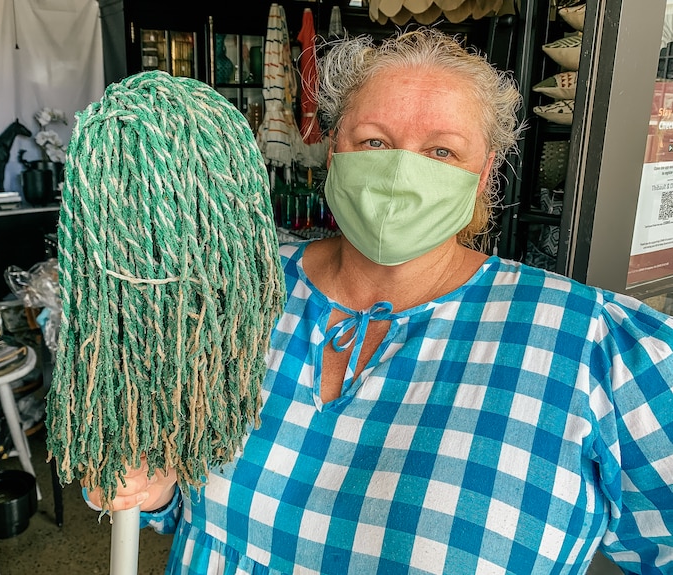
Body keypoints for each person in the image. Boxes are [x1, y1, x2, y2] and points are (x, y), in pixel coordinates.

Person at [85, 28, 673, 574]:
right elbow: (181, 505)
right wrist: (154, 489)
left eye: (442, 151)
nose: (400, 172)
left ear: (485, 172)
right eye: (374, 141)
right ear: (333, 151)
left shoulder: (596, 347)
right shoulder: (234, 297)